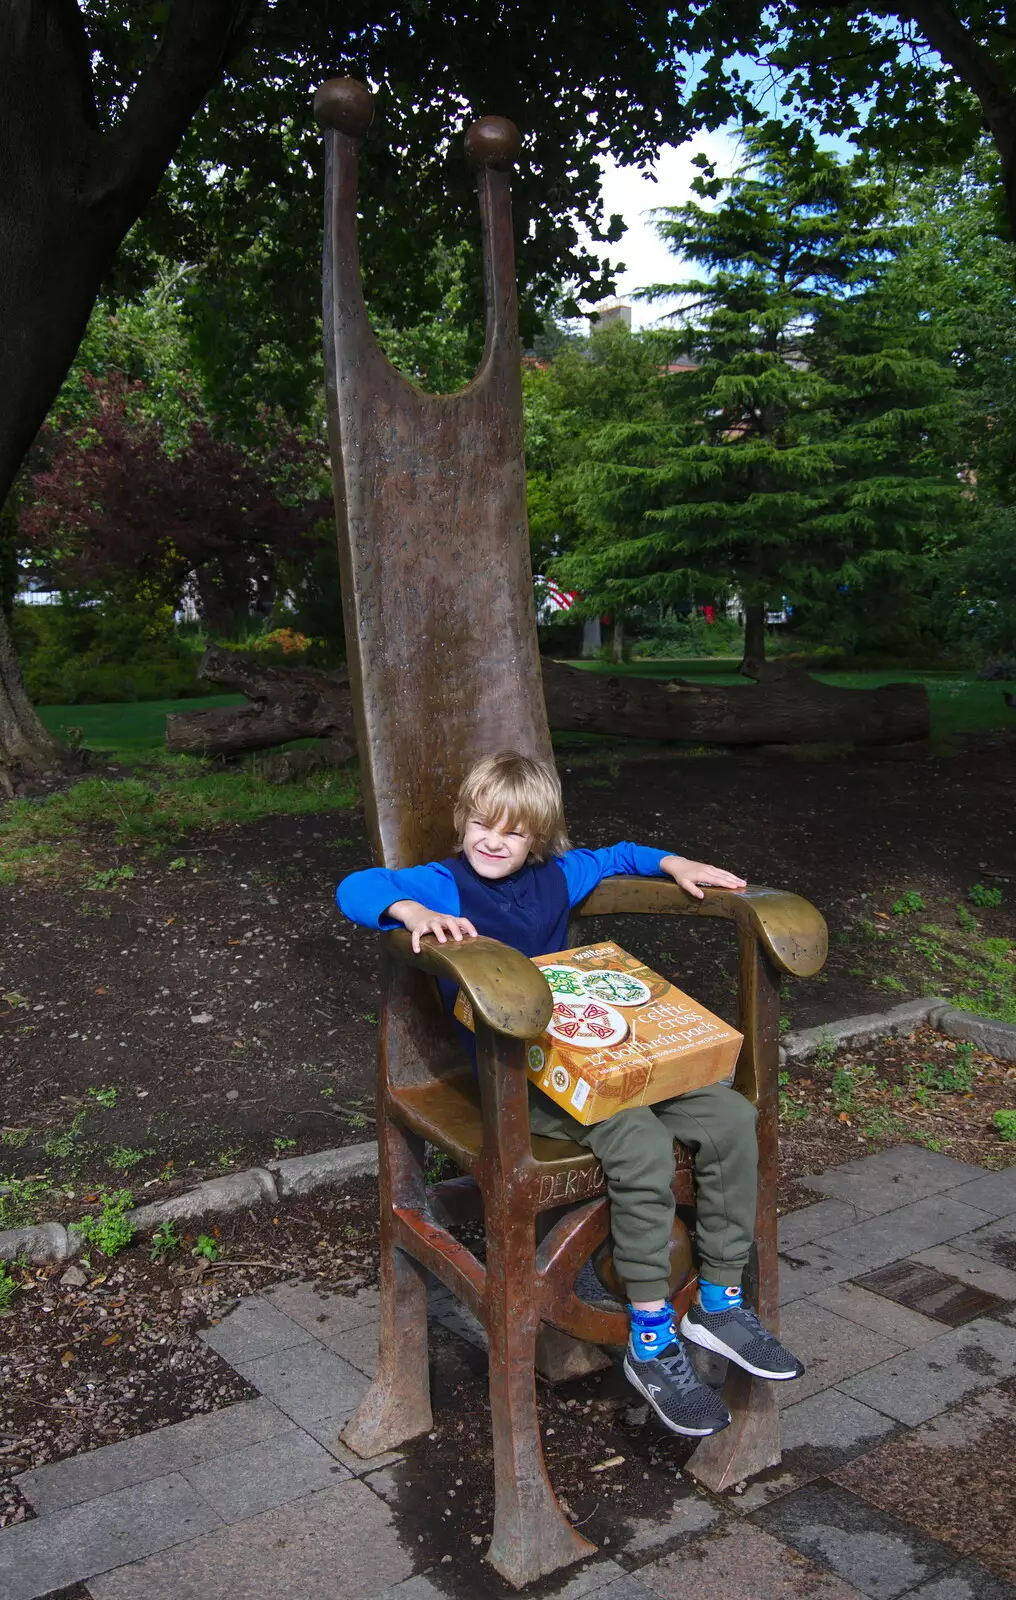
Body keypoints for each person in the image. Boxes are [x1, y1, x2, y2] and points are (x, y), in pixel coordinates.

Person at [337, 751, 803, 1438]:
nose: (492, 840)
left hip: (607, 1053)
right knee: (640, 1140)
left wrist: (674, 864)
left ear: (539, 839)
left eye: (512, 830)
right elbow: (357, 886)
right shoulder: (441, 882)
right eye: (479, 822)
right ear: (462, 823)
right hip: (522, 1073)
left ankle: (718, 1301)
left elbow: (620, 854)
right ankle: (650, 1335)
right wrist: (408, 910)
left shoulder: (559, 874)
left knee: (731, 1115)